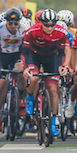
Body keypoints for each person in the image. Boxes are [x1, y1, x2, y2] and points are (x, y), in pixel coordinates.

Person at [22, 8, 70, 138]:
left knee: (53, 89)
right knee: (33, 78)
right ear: (41, 23)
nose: (49, 28)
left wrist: (62, 66)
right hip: (34, 56)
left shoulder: (62, 32)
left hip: (52, 58)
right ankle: (30, 98)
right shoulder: (32, 31)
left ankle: (53, 121)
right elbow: (25, 51)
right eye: (46, 25)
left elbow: (62, 51)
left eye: (52, 25)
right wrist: (26, 68)